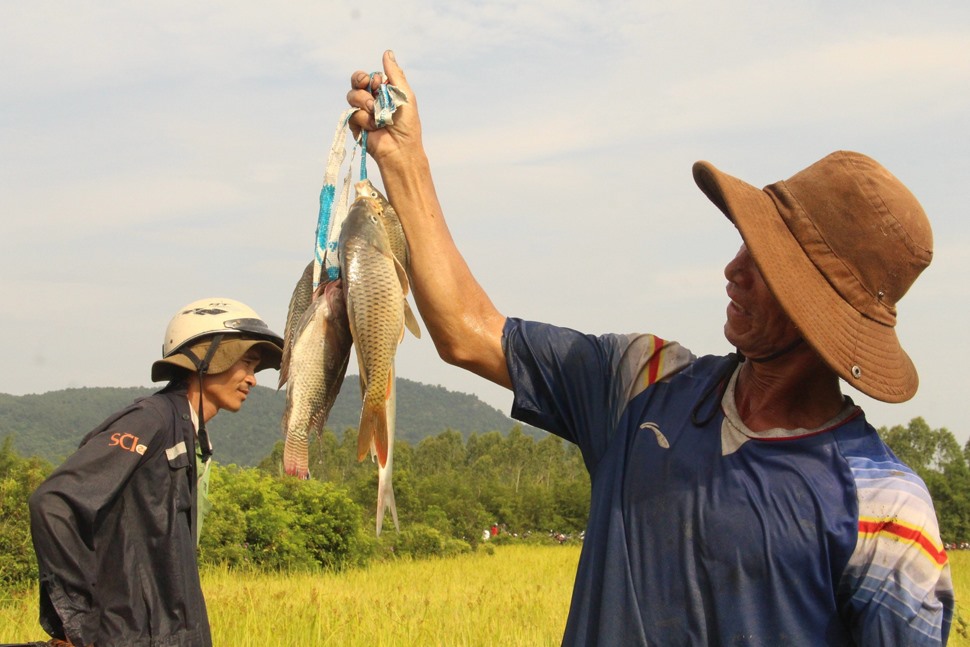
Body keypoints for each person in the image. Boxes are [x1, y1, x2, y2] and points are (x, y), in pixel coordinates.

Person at [346, 51, 954, 645]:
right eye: (747, 242)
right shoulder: (643, 382)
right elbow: (463, 328)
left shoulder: (888, 514)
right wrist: (404, 160)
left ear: (820, 314)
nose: (732, 269)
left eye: (768, 263)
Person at [28, 297, 284, 647]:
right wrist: (76, 624)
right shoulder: (152, 420)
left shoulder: (187, 432)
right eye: (247, 363)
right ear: (207, 357)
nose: (252, 380)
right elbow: (54, 503)